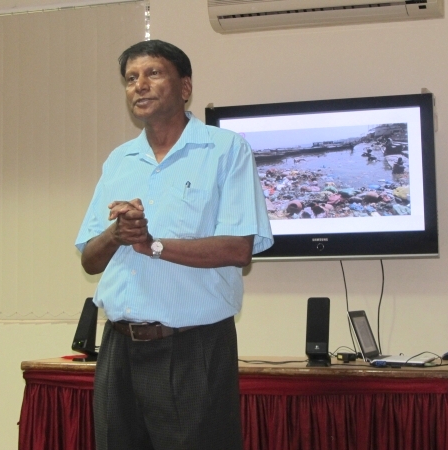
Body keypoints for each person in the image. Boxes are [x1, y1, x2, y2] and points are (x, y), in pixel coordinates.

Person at [75, 40, 273, 450]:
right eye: (131, 78)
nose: (140, 85)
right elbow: (90, 260)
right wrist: (117, 234)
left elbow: (239, 248)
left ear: (185, 87)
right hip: (118, 347)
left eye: (153, 73)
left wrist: (153, 244)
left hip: (193, 347)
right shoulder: (119, 161)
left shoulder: (225, 150)